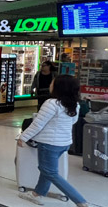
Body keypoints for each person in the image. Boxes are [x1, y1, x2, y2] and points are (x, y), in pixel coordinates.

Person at [18, 75, 91, 207]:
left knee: (50, 172)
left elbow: (37, 124)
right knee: (47, 169)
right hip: (64, 143)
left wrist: (23, 137)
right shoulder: (75, 104)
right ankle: (37, 194)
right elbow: (73, 122)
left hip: (49, 143)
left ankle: (81, 201)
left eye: (53, 82)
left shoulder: (51, 103)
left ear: (59, 87)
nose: (51, 84)